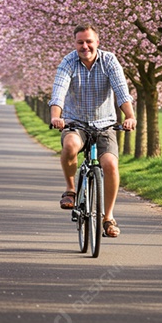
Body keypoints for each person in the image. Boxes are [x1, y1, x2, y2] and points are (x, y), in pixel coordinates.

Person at [49, 24, 136, 238]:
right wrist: (55, 116)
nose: (85, 46)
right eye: (80, 42)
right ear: (75, 43)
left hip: (105, 124)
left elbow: (121, 91)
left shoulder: (109, 61)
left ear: (97, 42)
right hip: (76, 123)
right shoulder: (69, 62)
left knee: (110, 165)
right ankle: (70, 189)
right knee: (70, 146)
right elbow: (58, 90)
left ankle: (108, 217)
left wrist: (130, 116)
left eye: (89, 41)